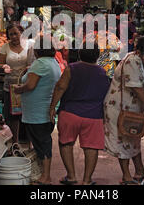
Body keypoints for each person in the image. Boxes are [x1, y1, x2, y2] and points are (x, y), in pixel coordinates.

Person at [49, 41, 110, 186]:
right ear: (97, 56)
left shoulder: (72, 68)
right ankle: (87, 180)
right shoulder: (103, 72)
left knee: (66, 143)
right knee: (91, 147)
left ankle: (71, 176)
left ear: (80, 53)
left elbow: (60, 88)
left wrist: (52, 107)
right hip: (94, 116)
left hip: (70, 113)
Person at [103, 34, 144, 185]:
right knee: (122, 141)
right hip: (119, 109)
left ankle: (140, 170)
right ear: (139, 52)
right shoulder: (131, 61)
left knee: (134, 139)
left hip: (134, 110)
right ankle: (127, 176)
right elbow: (138, 90)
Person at [13, 35, 61, 185]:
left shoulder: (40, 63)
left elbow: (31, 85)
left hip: (37, 113)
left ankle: (45, 177)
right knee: (43, 142)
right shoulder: (53, 62)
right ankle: (43, 174)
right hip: (44, 111)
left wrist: (19, 90)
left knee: (42, 144)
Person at [0, 22, 35, 144]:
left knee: (28, 113)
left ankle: (30, 143)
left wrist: (31, 67)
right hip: (11, 86)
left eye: (16, 33)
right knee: (13, 116)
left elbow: (37, 61)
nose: (13, 37)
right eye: (11, 35)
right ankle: (15, 143)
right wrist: (4, 67)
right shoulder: (5, 47)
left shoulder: (30, 45)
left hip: (27, 85)